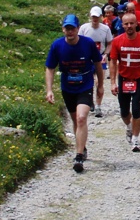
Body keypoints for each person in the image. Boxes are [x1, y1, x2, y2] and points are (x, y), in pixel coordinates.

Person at [45, 14, 104, 173]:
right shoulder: (57, 45)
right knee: (75, 120)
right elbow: (50, 68)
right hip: (67, 87)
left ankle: (78, 156)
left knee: (81, 117)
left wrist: (100, 86)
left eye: (73, 28)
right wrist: (49, 90)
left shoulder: (88, 44)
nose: (70, 32)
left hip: (85, 84)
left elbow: (98, 64)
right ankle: (82, 147)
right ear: (63, 29)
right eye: (67, 28)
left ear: (78, 29)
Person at [109, 12, 140, 153]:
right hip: (123, 79)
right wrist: (112, 83)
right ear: (122, 25)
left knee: (136, 109)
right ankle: (129, 127)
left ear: (136, 24)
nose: (129, 26)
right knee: (124, 111)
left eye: (131, 23)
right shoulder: (117, 41)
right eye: (126, 24)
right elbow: (113, 62)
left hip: (139, 79)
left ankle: (135, 139)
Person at [78, 6, 113, 117]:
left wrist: (106, 54)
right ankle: (90, 102)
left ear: (101, 17)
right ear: (90, 16)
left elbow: (110, 43)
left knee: (99, 82)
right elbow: (78, 42)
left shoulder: (105, 29)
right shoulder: (84, 28)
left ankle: (98, 106)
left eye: (97, 17)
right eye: (93, 17)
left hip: (100, 56)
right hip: (87, 58)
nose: (95, 19)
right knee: (88, 81)